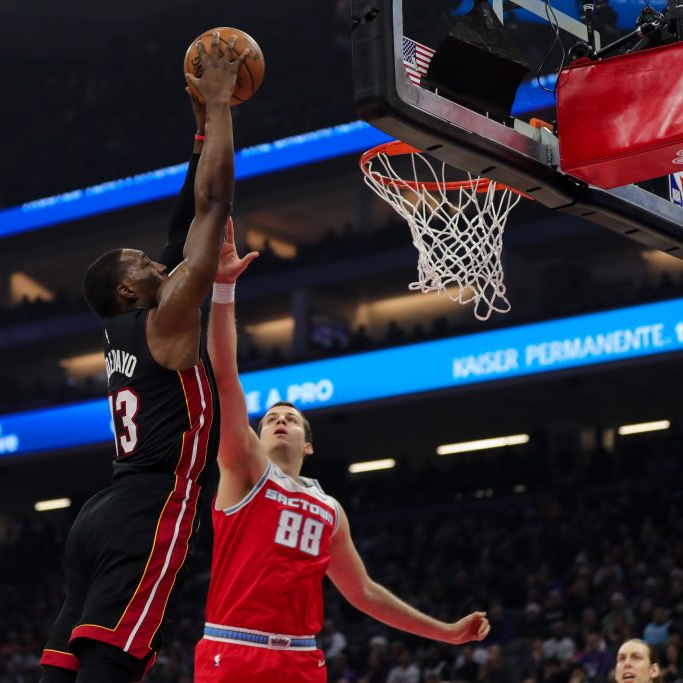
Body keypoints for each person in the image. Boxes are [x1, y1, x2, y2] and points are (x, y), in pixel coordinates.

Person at [39, 31, 250, 683]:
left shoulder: (131, 326)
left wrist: (197, 137)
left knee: (62, 660)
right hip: (152, 502)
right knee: (110, 661)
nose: (157, 259)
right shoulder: (166, 316)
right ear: (129, 289)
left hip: (102, 510)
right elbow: (214, 207)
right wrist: (220, 106)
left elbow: (181, 221)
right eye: (142, 263)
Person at [193, 225, 491, 682]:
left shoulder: (328, 510)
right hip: (235, 648)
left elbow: (365, 594)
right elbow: (226, 375)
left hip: (303, 659)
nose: (279, 420)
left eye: (290, 419)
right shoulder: (244, 468)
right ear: (255, 435)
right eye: (271, 417)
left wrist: (446, 632)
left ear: (307, 445)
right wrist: (223, 287)